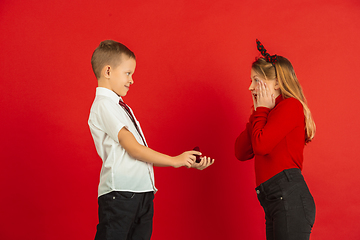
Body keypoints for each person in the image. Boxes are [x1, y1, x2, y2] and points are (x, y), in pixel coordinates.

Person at [88, 40, 214, 240]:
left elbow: (140, 152)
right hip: (121, 194)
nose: (132, 80)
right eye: (128, 73)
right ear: (108, 71)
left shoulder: (119, 106)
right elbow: (134, 149)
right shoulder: (104, 104)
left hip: (141, 192)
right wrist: (174, 160)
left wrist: (183, 161)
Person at [234, 39, 316, 240]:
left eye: (255, 80)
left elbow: (261, 146)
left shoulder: (290, 106)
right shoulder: (266, 114)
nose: (250, 87)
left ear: (277, 83)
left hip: (289, 198)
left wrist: (261, 110)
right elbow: (241, 151)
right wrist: (257, 112)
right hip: (274, 201)